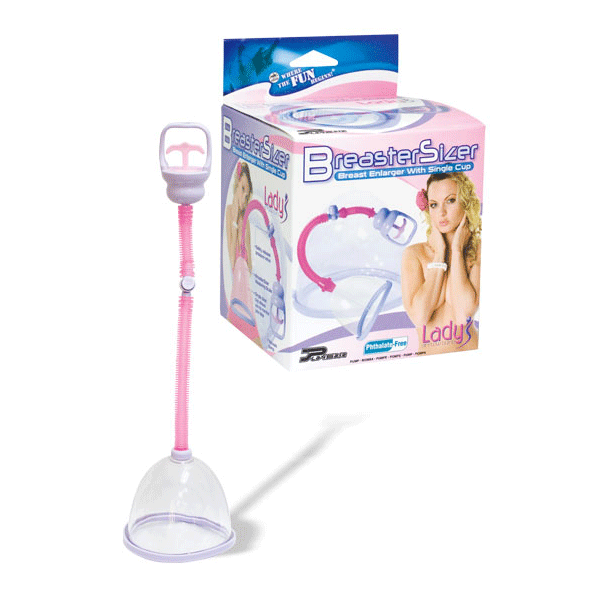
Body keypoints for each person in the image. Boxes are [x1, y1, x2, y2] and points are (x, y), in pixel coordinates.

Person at [401, 172, 481, 354]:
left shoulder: (478, 251)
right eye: (434, 204)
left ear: (466, 202)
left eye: (450, 201)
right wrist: (440, 254)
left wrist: (457, 250)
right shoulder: (415, 254)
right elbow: (419, 317)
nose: (441, 212)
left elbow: (463, 314)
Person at [225, 162, 253, 272]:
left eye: (247, 193)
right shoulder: (228, 212)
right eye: (242, 189)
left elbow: (250, 265)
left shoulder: (246, 219)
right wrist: (235, 220)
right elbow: (231, 259)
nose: (244, 196)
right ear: (236, 186)